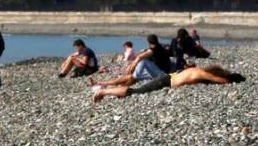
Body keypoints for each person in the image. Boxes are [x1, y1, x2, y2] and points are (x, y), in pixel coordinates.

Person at [93, 65, 245, 102]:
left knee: (136, 91)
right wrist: (229, 80)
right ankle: (103, 91)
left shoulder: (199, 70)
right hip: (164, 82)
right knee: (135, 92)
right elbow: (221, 81)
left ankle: (106, 91)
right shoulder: (202, 73)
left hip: (166, 80)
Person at [89, 35, 168, 88]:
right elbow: (147, 52)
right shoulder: (159, 47)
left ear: (149, 42)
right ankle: (99, 83)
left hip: (161, 74)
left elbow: (140, 56)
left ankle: (123, 86)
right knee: (129, 77)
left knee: (142, 61)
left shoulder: (153, 50)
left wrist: (132, 66)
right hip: (156, 72)